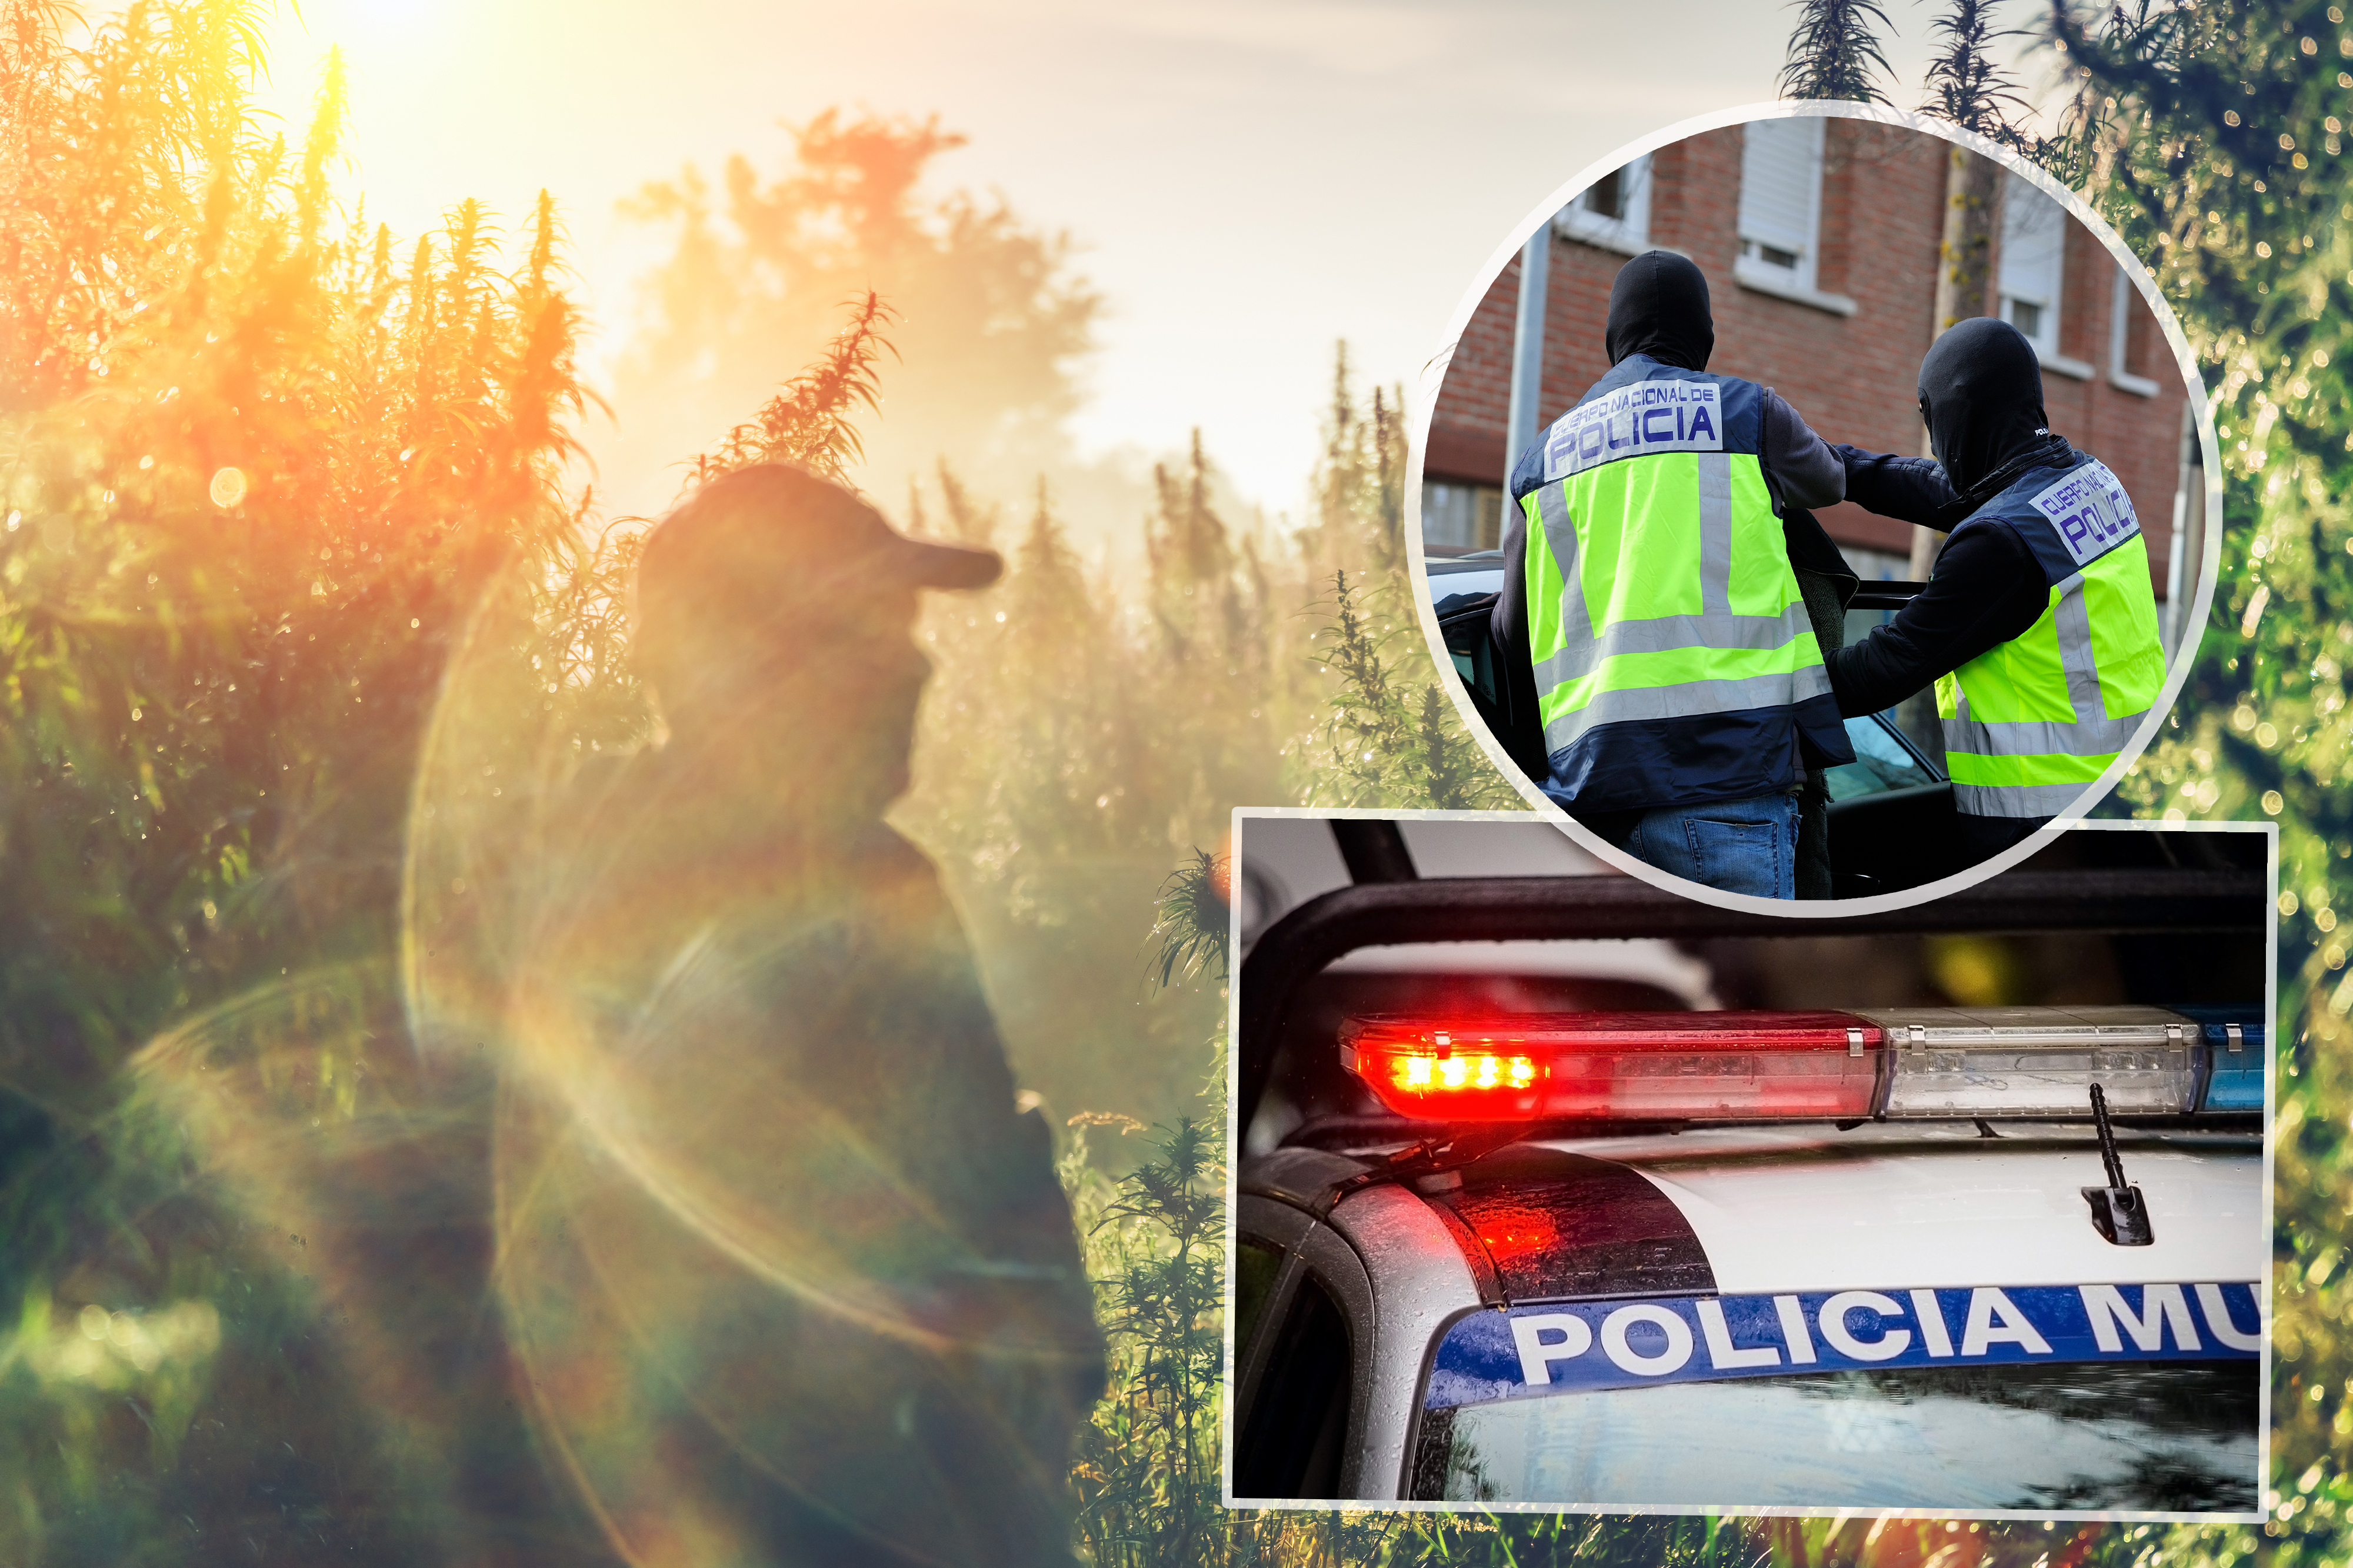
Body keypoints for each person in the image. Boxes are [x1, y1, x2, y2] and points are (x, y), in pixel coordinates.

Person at [497, 463, 1106, 1567]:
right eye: (865, 628)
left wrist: (1033, 1344)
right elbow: (605, 1285)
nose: (917, 662)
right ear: (745, 657)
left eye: (907, 626)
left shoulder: (886, 885)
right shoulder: (602, 887)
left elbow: (996, 1187)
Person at [1488, 249, 1856, 900]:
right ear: (1703, 336)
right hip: (1731, 786)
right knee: (1744, 1000)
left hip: (1589, 806)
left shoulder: (1539, 460)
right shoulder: (1747, 413)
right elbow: (1827, 480)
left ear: (1614, 335)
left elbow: (1510, 634)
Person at [1827, 316, 2165, 860]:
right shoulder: (2088, 480)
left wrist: (1753, 683)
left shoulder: (2000, 546)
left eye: (1931, 419)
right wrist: (1826, 463)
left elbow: (1881, 669)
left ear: (1957, 415)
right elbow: (1952, 491)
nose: (1935, 445)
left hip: (2044, 828)